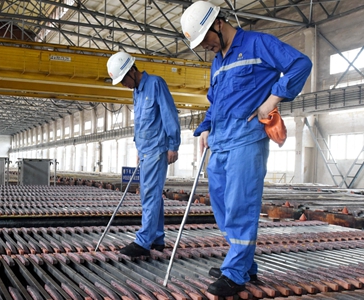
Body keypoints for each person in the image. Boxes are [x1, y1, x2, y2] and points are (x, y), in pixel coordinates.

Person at [180, 1, 312, 297]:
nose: (205, 47)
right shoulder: (218, 61)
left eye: (205, 40)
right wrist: (205, 128)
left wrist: (273, 99)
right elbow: (217, 101)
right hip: (221, 141)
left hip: (246, 139)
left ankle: (236, 272)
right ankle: (243, 261)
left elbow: (301, 64)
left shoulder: (258, 43)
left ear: (218, 24)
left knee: (241, 204)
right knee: (221, 204)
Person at [106, 51, 181, 258]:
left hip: (158, 149)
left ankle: (143, 241)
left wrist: (173, 145)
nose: (123, 85)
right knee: (153, 194)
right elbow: (140, 124)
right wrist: (139, 150)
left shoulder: (155, 84)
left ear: (132, 70)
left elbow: (169, 114)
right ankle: (157, 238)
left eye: (123, 80)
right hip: (146, 150)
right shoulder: (137, 91)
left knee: (149, 194)